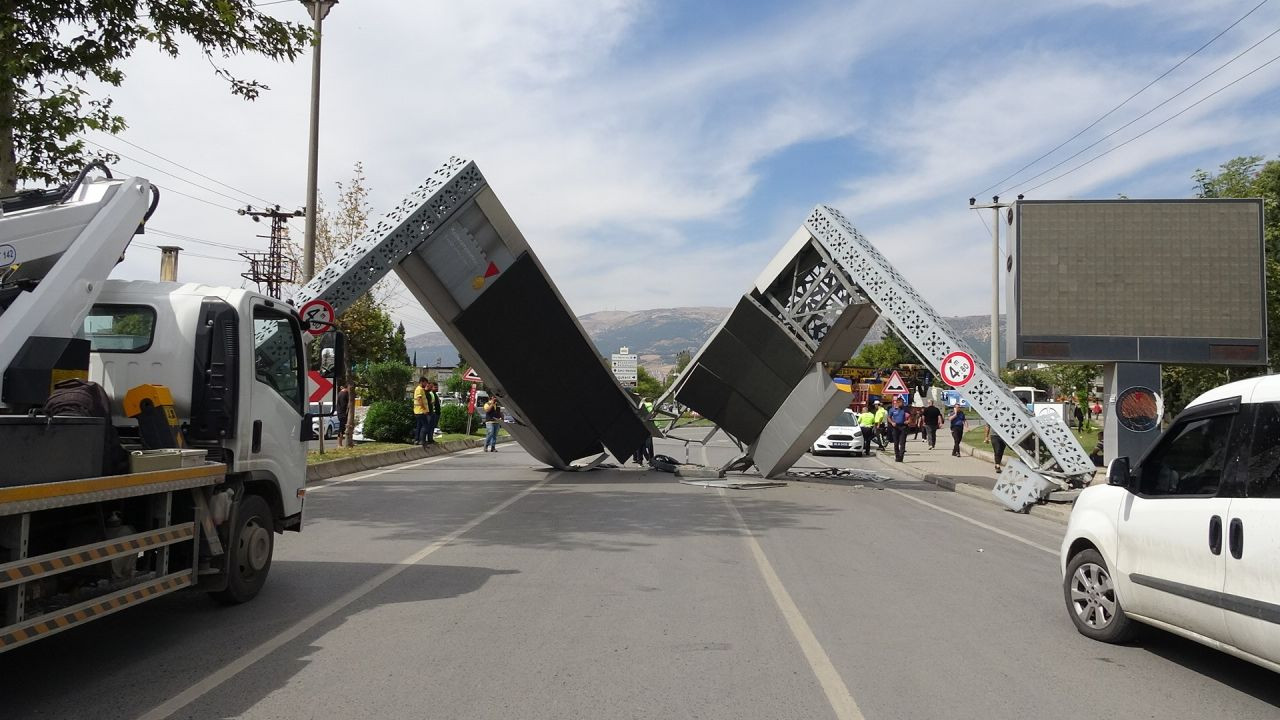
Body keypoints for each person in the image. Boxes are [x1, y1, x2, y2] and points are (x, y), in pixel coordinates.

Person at [887, 395, 909, 462]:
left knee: (902, 443)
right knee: (896, 443)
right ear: (897, 402)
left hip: (903, 427)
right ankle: (897, 456)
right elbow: (888, 417)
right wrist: (892, 422)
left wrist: (908, 421)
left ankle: (901, 457)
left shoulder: (905, 409)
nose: (902, 404)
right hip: (895, 427)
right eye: (901, 402)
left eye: (903, 402)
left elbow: (910, 417)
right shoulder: (892, 409)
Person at [413, 377, 430, 447]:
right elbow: (419, 400)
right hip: (421, 411)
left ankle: (416, 440)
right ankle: (422, 441)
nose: (426, 384)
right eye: (425, 383)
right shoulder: (419, 389)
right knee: (425, 427)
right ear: (422, 382)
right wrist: (424, 409)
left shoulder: (420, 389)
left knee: (419, 426)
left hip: (418, 411)